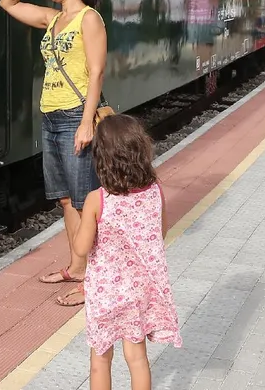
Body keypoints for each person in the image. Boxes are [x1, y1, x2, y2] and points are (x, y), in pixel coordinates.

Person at [0, 0, 107, 306]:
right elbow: (8, 2)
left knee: (82, 202)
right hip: (50, 116)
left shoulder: (89, 19)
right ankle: (77, 267)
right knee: (64, 200)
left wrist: (87, 122)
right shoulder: (52, 19)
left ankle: (93, 277)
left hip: (76, 116)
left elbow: (97, 73)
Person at [74, 114, 182, 390]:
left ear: (101, 159)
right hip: (139, 291)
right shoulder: (154, 190)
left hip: (105, 293)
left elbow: (81, 248)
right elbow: (160, 232)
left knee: (100, 358)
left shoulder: (97, 200)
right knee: (137, 358)